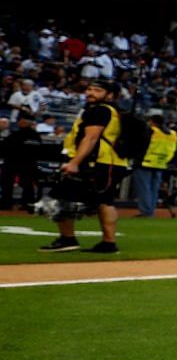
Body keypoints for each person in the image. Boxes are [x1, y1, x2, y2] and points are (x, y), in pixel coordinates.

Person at [43, 80, 132, 254]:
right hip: (112, 162)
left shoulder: (99, 110)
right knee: (105, 201)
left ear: (109, 95)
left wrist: (75, 162)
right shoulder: (113, 111)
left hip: (97, 162)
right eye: (89, 89)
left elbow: (90, 138)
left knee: (59, 196)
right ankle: (108, 243)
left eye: (97, 90)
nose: (90, 92)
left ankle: (67, 239)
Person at [131, 116, 177, 218]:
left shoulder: (151, 131)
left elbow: (141, 145)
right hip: (161, 163)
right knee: (154, 189)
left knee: (144, 188)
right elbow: (173, 150)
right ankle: (150, 211)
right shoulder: (172, 134)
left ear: (152, 122)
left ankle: (146, 212)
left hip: (146, 162)